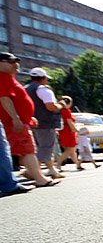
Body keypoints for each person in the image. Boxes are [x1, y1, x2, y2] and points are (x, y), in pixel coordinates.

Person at [0, 53, 58, 188]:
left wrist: (27, 117)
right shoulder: (2, 78)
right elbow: (4, 99)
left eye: (16, 61)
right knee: (28, 149)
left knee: (23, 150)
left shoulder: (10, 79)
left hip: (18, 121)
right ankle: (39, 178)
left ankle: (33, 174)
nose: (16, 64)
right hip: (13, 123)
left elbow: (15, 100)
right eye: (11, 61)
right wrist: (16, 118)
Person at [25, 67, 65, 179]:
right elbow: (50, 107)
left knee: (38, 146)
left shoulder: (25, 89)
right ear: (43, 79)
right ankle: (32, 170)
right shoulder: (43, 90)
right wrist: (61, 105)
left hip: (30, 121)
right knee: (46, 146)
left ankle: (51, 170)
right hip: (45, 122)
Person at [55, 96, 79, 171]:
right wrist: (76, 130)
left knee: (72, 149)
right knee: (70, 149)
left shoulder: (58, 111)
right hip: (68, 131)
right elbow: (70, 123)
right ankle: (58, 164)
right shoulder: (67, 111)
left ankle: (77, 164)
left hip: (62, 130)